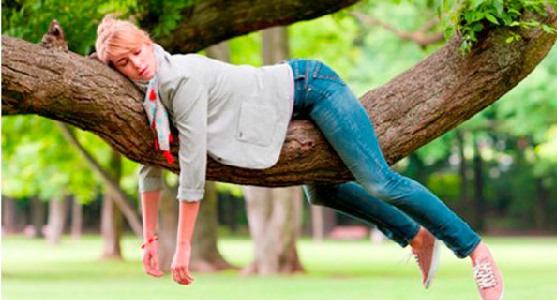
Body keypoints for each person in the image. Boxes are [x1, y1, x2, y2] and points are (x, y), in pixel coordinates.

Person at [95, 15, 504, 300]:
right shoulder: (151, 97)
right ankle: (415, 234)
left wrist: (181, 246)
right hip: (281, 109)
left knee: (378, 180)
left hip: (311, 86)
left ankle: (474, 251)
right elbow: (152, 164)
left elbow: (192, 169)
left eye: (136, 53)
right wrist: (149, 238)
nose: (136, 65)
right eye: (123, 64)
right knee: (322, 193)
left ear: (147, 42)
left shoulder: (177, 79)